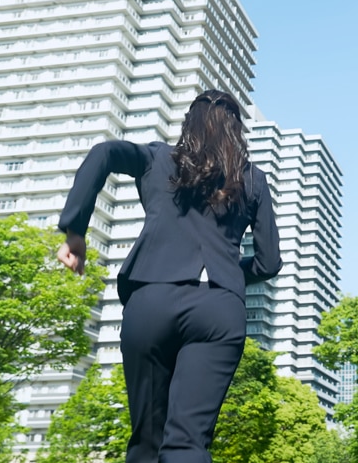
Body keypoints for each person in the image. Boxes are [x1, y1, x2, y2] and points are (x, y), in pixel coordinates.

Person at [56, 89, 282, 463]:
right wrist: (225, 275)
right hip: (218, 309)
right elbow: (269, 262)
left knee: (147, 442)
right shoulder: (253, 180)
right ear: (237, 131)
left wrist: (75, 230)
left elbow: (104, 153)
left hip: (151, 300)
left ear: (188, 124)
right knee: (188, 444)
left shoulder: (158, 158)